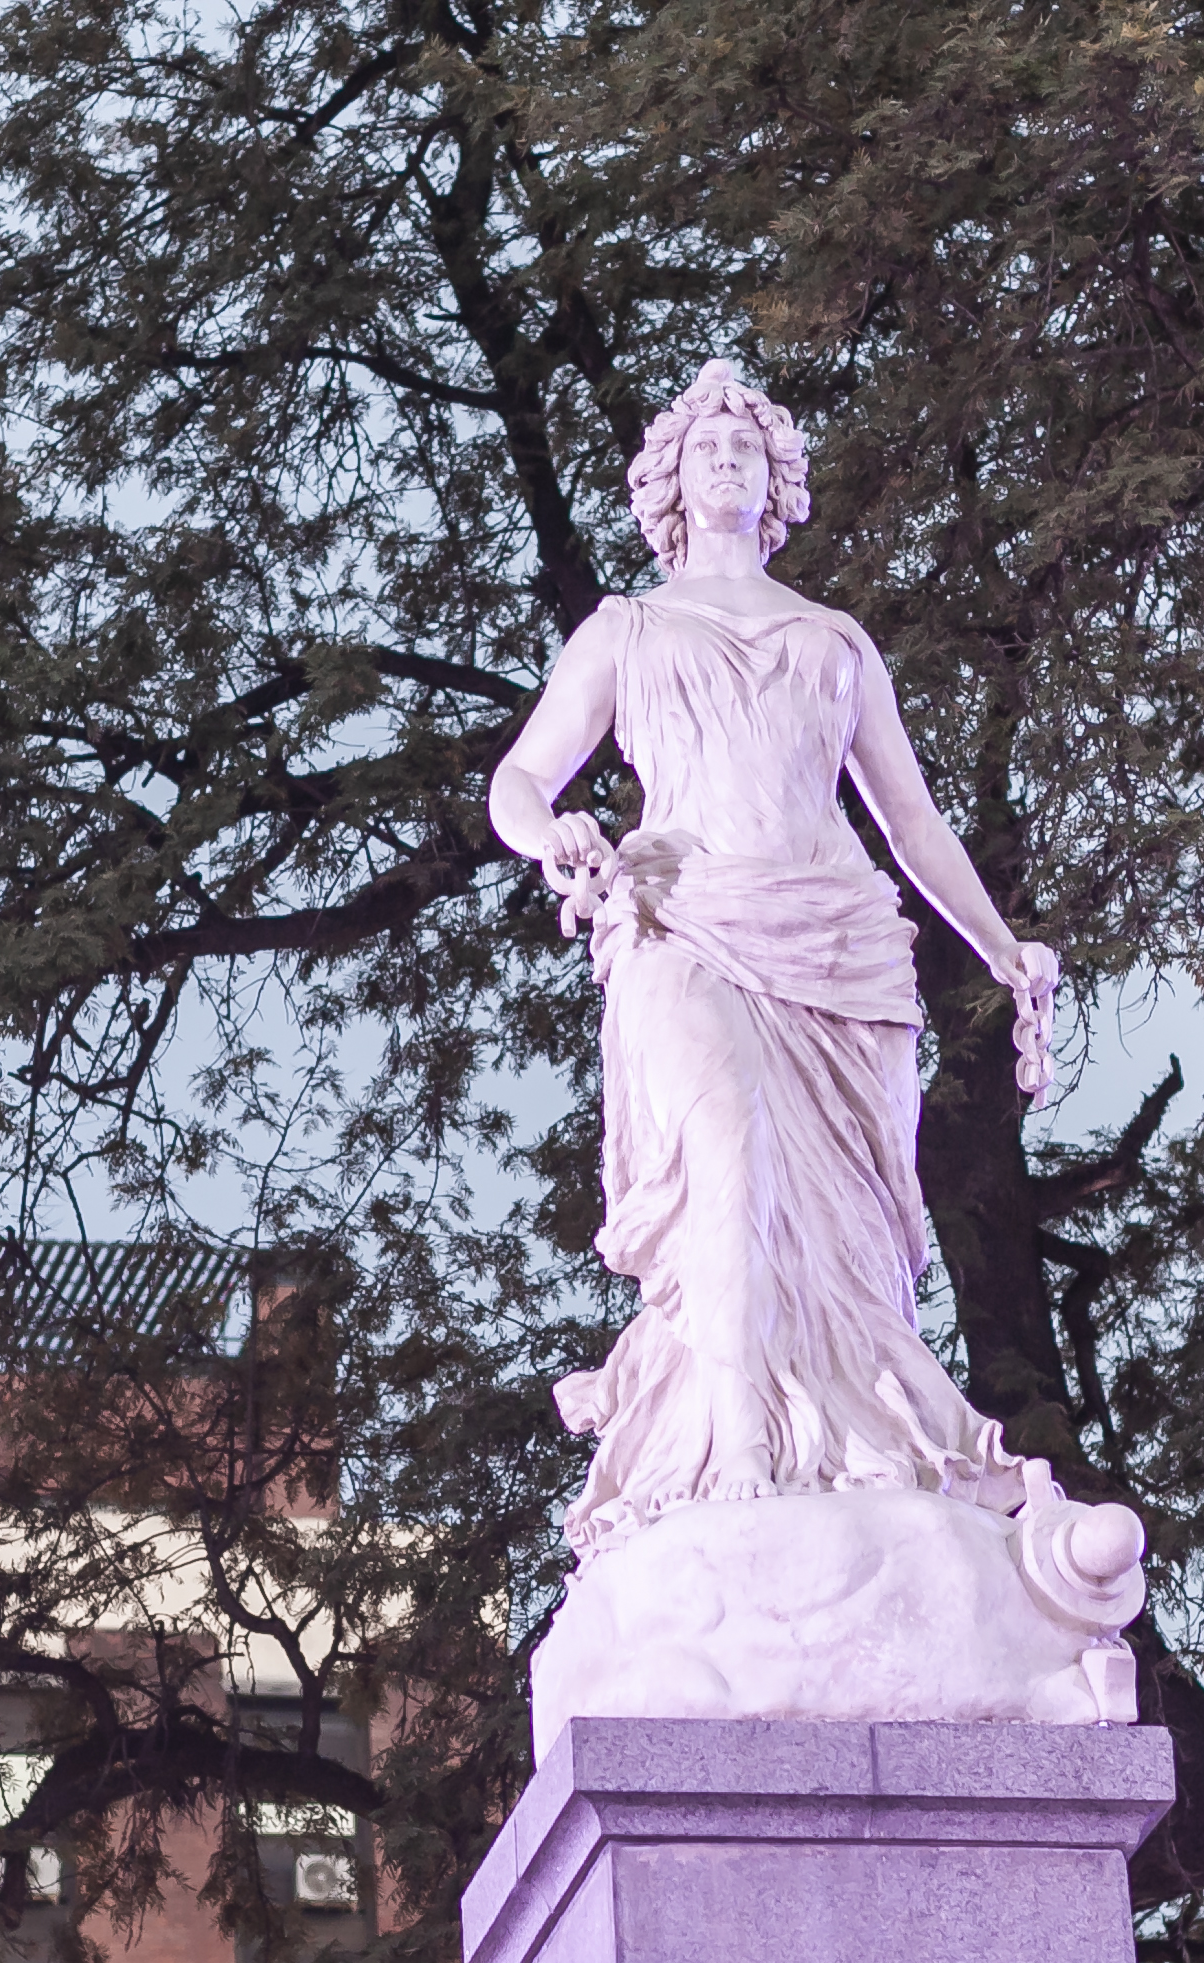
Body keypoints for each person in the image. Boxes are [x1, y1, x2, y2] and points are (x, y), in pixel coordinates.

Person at [490, 359, 1066, 1560]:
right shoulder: (627, 630)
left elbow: (911, 825)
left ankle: (836, 1451)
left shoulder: (835, 640)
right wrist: (556, 840)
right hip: (680, 919)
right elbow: (521, 779)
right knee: (730, 1145)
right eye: (706, 448)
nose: (727, 461)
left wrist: (1004, 947)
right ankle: (734, 1453)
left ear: (777, 482)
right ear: (670, 483)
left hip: (838, 942)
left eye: (747, 449)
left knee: (848, 1239)